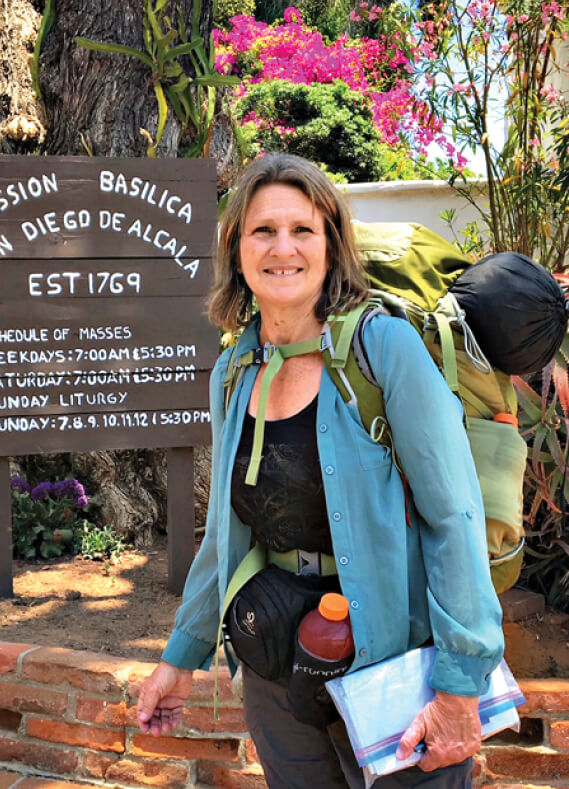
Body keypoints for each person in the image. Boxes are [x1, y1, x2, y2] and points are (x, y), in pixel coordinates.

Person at [135, 153, 505, 789]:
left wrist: (459, 683)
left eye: (303, 230)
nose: (284, 248)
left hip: (391, 659)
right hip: (277, 658)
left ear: (331, 246)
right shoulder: (234, 372)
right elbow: (227, 535)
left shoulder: (381, 349)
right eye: (263, 231)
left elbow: (455, 516)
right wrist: (181, 655)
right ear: (237, 249)